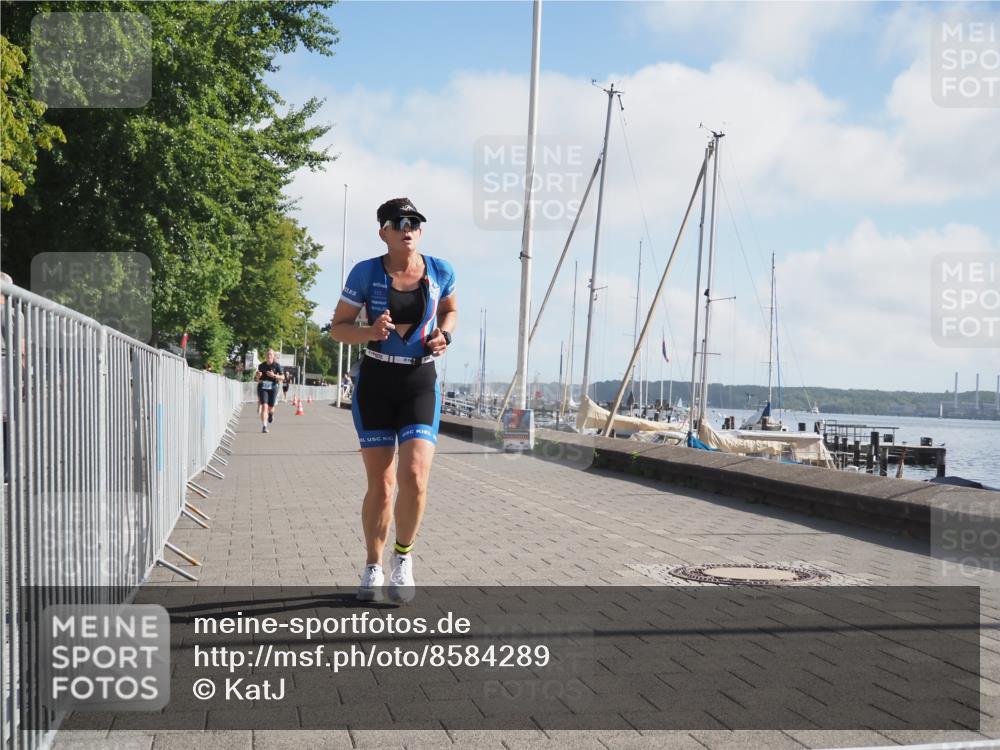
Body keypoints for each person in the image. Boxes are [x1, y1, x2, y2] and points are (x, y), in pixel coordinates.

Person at [329, 198, 456, 603]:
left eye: (415, 222)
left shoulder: (440, 270)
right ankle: (372, 564)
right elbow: (338, 329)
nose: (408, 227)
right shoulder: (365, 272)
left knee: (415, 476)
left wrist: (445, 335)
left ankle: (404, 558)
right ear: (383, 231)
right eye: (399, 222)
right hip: (377, 381)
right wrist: (369, 331)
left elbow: (451, 310)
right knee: (382, 486)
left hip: (419, 380)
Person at [254, 349, 284, 433]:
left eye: (270, 354)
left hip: (273, 387)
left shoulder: (277, 366)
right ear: (265, 356)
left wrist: (274, 375)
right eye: (267, 354)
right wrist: (257, 376)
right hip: (263, 387)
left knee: (271, 408)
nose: (269, 356)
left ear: (273, 356)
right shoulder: (261, 366)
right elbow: (256, 379)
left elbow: (283, 377)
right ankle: (264, 426)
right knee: (264, 406)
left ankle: (270, 414)